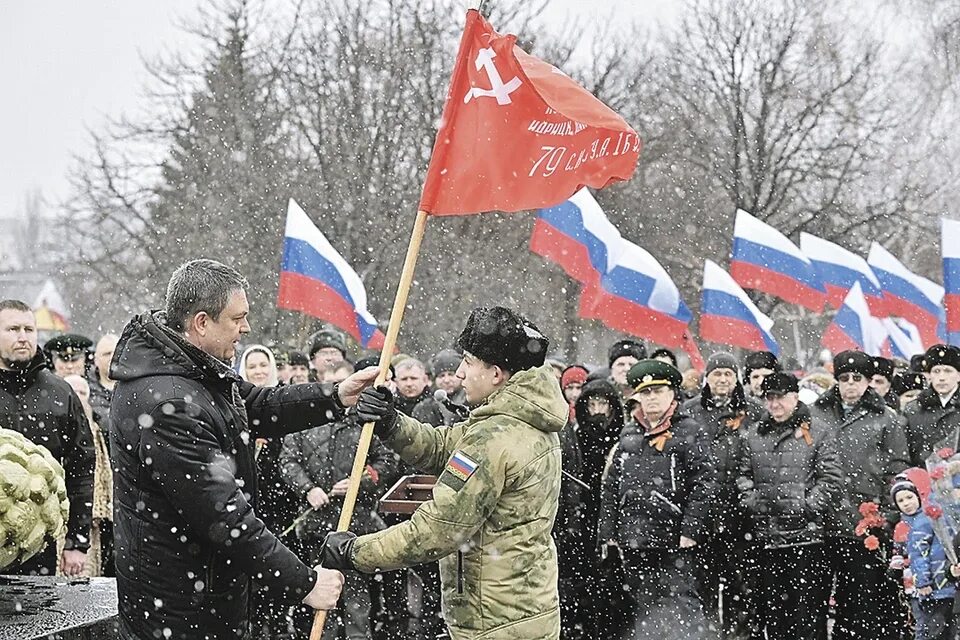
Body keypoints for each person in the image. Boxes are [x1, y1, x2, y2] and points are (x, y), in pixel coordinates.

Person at [109, 259, 368, 640]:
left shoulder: (194, 371)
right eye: (237, 318)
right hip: (180, 607)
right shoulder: (169, 404)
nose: (245, 328)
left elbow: (258, 405)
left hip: (204, 591)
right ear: (201, 322)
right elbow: (225, 518)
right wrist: (305, 583)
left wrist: (336, 397)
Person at [322, 306, 567, 640]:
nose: (460, 373)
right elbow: (443, 447)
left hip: (494, 621)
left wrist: (354, 552)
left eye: (468, 361)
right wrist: (391, 423)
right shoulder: (516, 421)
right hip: (523, 609)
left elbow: (436, 531)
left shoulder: (495, 438)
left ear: (495, 373)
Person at [280, 358, 398, 640]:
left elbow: (387, 461)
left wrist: (361, 481)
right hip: (317, 527)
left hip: (356, 524)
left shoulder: (367, 423)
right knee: (323, 596)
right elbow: (288, 460)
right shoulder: (305, 422)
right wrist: (308, 489)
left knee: (357, 598)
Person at [598, 359, 716, 640]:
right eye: (646, 393)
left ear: (672, 394)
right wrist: (608, 532)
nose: (651, 398)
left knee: (683, 610)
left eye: (658, 391)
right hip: (635, 541)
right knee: (644, 612)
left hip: (675, 541)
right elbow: (612, 487)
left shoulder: (690, 430)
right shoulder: (628, 434)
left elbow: (705, 483)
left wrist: (690, 530)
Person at [808, 350, 909, 640]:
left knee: (860, 604)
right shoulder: (816, 413)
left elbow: (897, 468)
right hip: (822, 522)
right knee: (815, 601)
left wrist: (888, 516)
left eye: (857, 378)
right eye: (844, 378)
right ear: (836, 380)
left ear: (867, 381)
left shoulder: (887, 418)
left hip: (865, 524)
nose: (850, 384)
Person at [737, 372, 842, 640]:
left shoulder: (818, 432)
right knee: (776, 618)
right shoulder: (754, 435)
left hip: (807, 540)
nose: (774, 404)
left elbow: (830, 479)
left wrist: (806, 507)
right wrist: (753, 502)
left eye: (780, 398)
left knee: (807, 616)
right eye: (769, 398)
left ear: (795, 397)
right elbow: (742, 477)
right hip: (768, 540)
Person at [0, 299, 94, 577]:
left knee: (39, 617)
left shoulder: (60, 392)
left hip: (38, 543)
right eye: (13, 329)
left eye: (29, 329)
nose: (22, 336)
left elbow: (82, 467)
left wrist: (77, 541)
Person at [682, 352, 763, 639]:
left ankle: (737, 634)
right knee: (701, 584)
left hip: (740, 515)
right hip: (702, 512)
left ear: (737, 378)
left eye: (728, 374)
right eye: (717, 374)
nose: (722, 379)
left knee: (740, 586)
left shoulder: (753, 410)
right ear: (707, 378)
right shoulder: (690, 411)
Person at [571, 378, 625, 639]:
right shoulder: (576, 438)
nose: (598, 410)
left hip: (614, 518)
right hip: (583, 517)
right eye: (593, 403)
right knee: (585, 582)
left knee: (614, 585)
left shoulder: (623, 438)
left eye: (603, 403)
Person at [893, 476, 959, 640]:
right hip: (935, 587)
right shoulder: (925, 519)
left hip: (948, 584)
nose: (907, 503)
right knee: (933, 629)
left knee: (945, 629)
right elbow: (918, 552)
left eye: (909, 497)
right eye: (901, 500)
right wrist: (923, 580)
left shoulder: (945, 515)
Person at [63, 374, 114, 577]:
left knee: (87, 574)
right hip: (65, 516)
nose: (78, 397)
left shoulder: (96, 428)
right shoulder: (64, 426)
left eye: (83, 393)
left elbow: (104, 472)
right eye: (73, 392)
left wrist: (102, 508)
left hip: (91, 520)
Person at [904, 345, 960, 466]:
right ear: (929, 376)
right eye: (936, 371)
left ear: (959, 375)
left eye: (948, 371)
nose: (941, 377)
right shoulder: (913, 410)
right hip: (922, 479)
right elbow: (903, 453)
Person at [412, 348, 470, 428]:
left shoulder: (472, 403)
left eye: (451, 374)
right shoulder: (423, 409)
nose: (446, 380)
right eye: (441, 376)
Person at [88, 333, 119, 439]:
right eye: (107, 354)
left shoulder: (135, 387)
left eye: (116, 352)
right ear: (96, 360)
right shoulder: (86, 390)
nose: (112, 357)